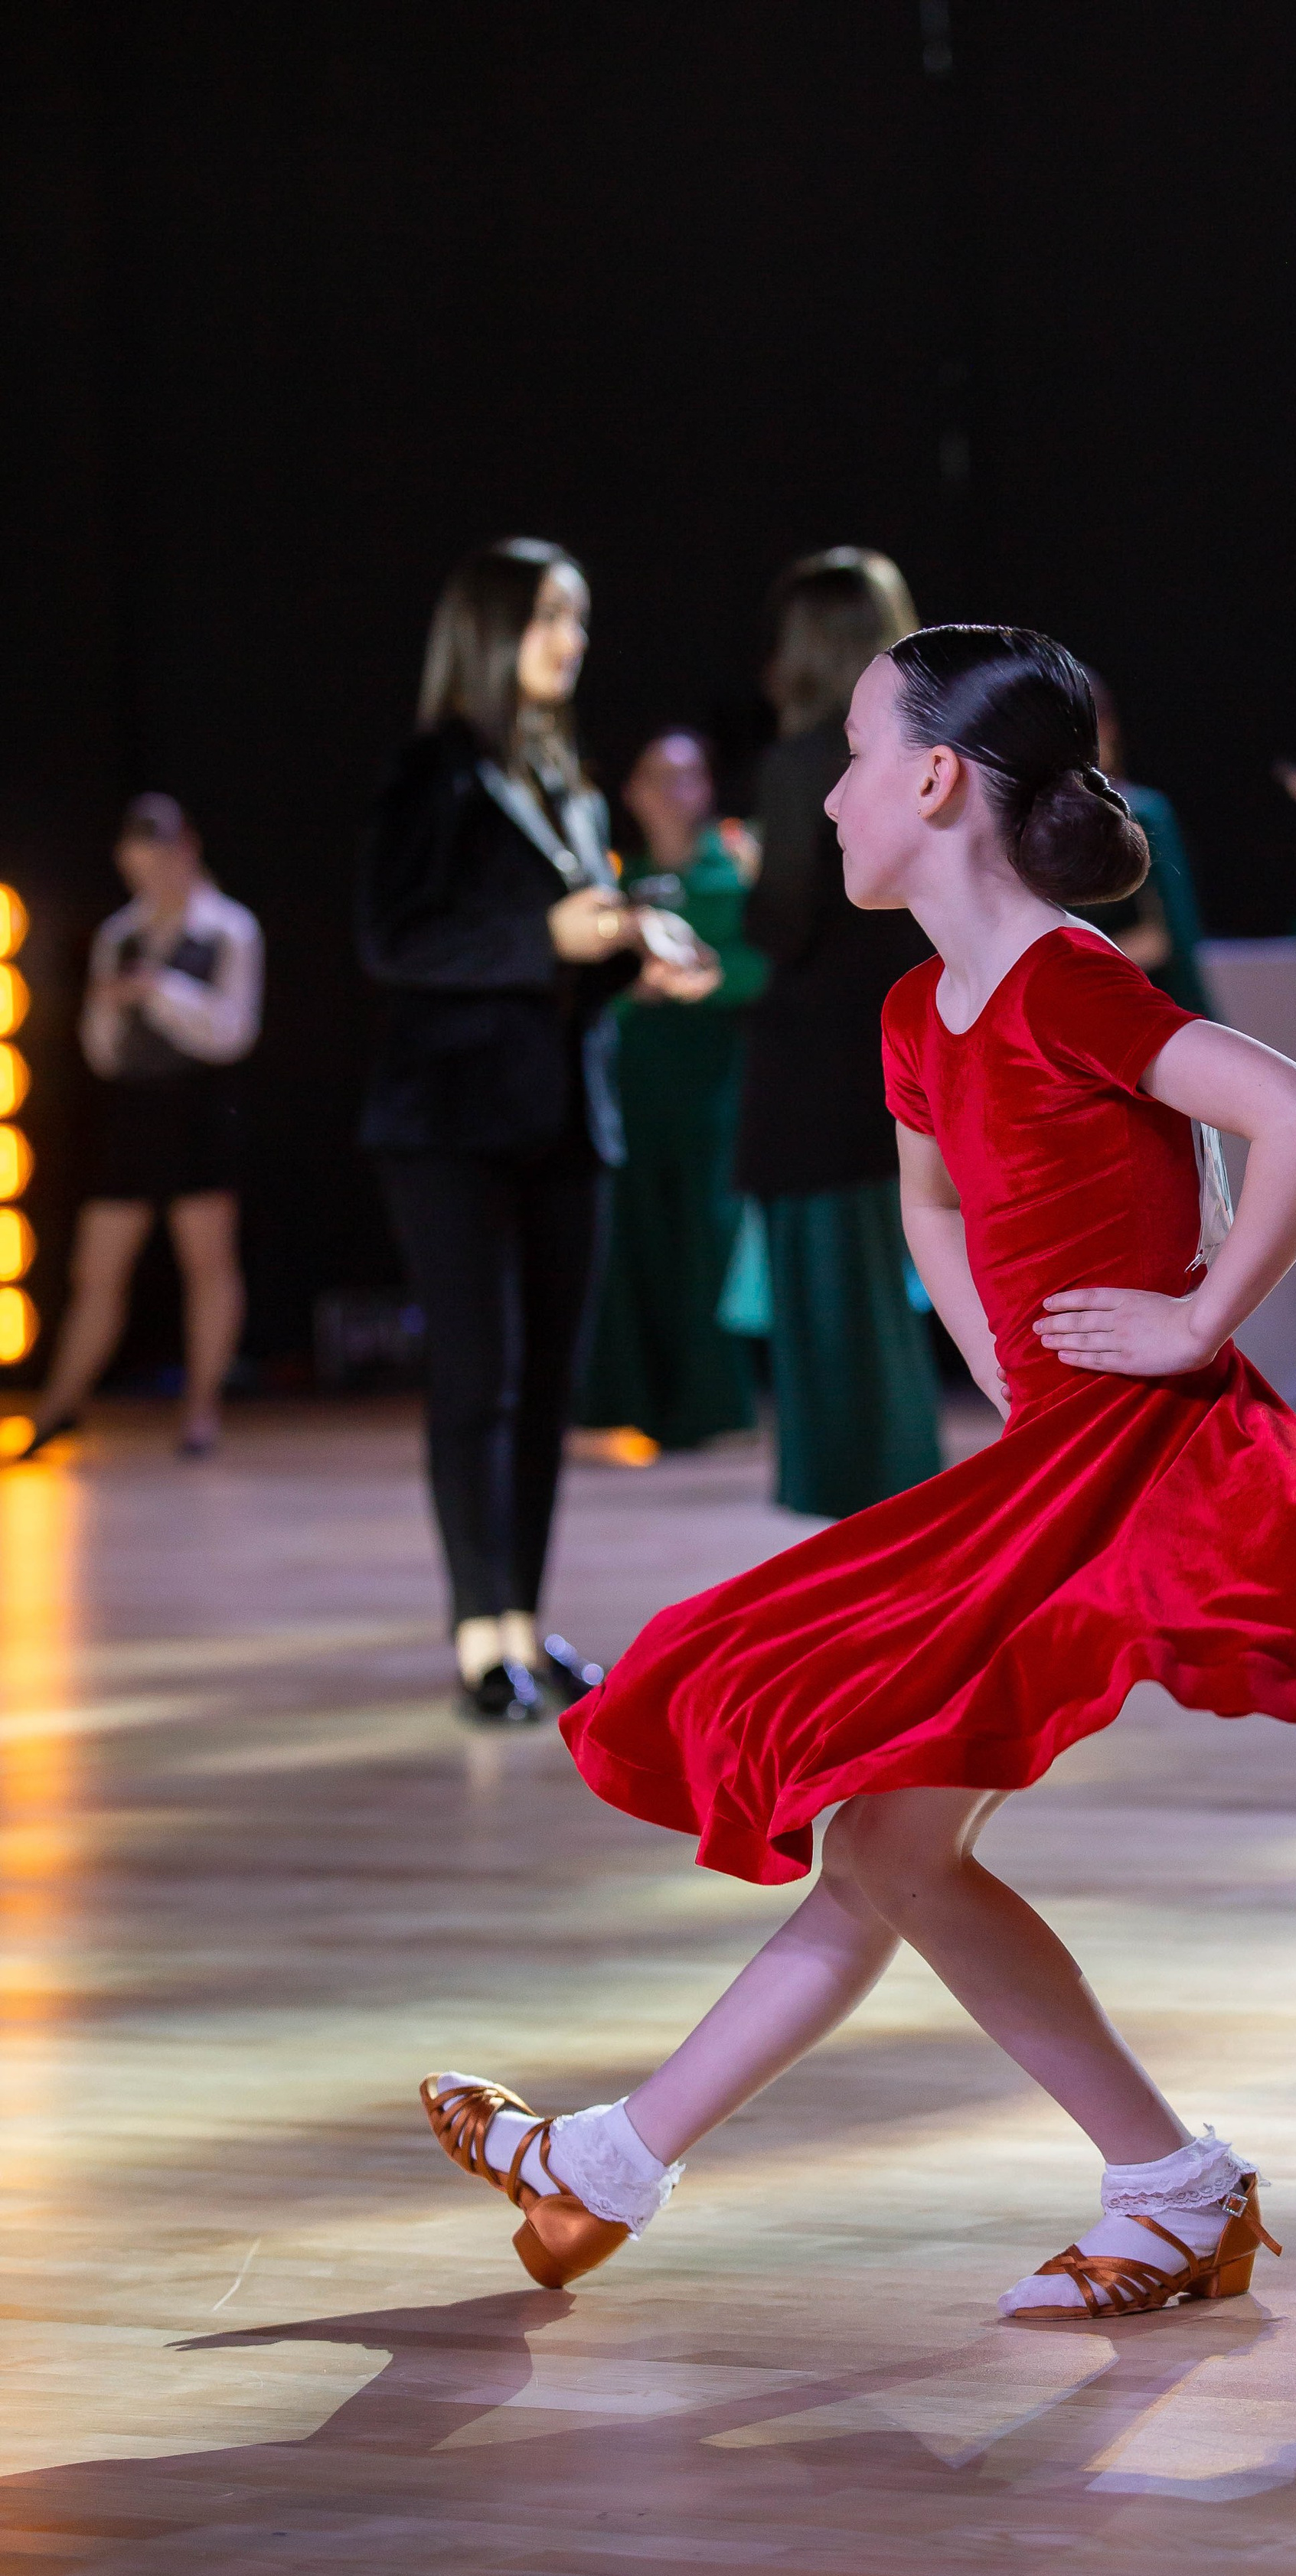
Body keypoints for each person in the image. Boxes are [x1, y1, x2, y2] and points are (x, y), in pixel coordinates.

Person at [418, 622, 1296, 2314]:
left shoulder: (1072, 980)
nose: (824, 798)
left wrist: (1194, 1323)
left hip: (1143, 1471)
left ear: (937, 780)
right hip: (1048, 1464)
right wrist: (999, 1364)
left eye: (856, 756)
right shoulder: (913, 1007)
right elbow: (931, 1203)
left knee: (874, 1826)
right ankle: (662, 2166)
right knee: (885, 1842)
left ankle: (683, 2165)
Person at [356, 537, 720, 1723]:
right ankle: (478, 1630)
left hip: (567, 1117)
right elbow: (396, 944)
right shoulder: (432, 777)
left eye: (578, 618)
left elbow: (561, 967)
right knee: (478, 1374)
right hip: (448, 1122)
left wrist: (629, 964)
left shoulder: (567, 781)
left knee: (549, 1376)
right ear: (490, 631)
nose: (571, 640)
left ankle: (522, 1612)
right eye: (552, 618)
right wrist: (545, 942)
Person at [734, 546, 942, 1518]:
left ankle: (860, 1529)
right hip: (906, 1046)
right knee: (887, 1301)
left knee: (824, 1310)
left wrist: (747, 878)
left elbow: (781, 921)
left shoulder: (801, 762)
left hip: (812, 1062)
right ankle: (909, 1506)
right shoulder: (930, 759)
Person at [18, 794, 260, 1460]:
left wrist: (159, 991)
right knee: (97, 1266)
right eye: (136, 861)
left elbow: (231, 1029)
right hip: (135, 1108)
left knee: (206, 1260)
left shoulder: (228, 929)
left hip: (201, 1105)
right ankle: (59, 1404)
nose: (148, 873)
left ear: (185, 851)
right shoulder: (118, 935)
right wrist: (119, 1009)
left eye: (158, 857)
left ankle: (202, 1411)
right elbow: (100, 1040)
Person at [573, 729, 767, 1448]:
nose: (668, 792)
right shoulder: (621, 883)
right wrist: (639, 989)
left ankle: (711, 1408)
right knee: (633, 1239)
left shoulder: (738, 870)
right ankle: (632, 1407)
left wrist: (700, 982)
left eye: (685, 776)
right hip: (632, 1086)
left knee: (707, 1239)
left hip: (713, 1085)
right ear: (631, 791)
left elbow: (761, 967)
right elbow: (592, 980)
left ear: (707, 789)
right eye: (655, 775)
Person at [1085, 673, 1210, 1012]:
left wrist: (1076, 971)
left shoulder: (1144, 814)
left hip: (1145, 1004)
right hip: (1079, 1008)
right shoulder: (1030, 826)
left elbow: (1169, 937)